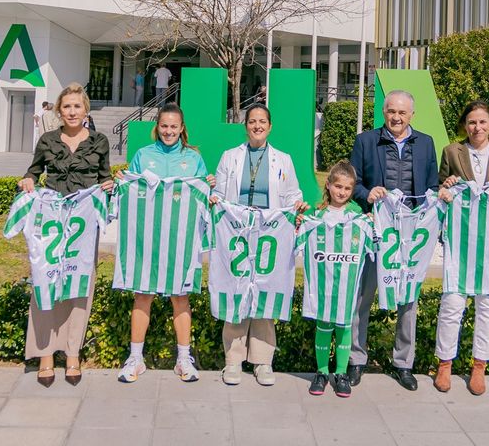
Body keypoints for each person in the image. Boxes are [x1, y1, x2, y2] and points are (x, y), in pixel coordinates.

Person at [18, 82, 113, 386]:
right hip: (52, 220)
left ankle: (72, 353)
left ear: (86, 110)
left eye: (77, 106)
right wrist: (28, 180)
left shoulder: (99, 141)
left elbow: (104, 177)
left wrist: (109, 185)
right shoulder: (47, 140)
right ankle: (45, 353)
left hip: (84, 225)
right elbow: (33, 171)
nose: (72, 112)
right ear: (59, 111)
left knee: (80, 283)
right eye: (67, 106)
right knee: (45, 281)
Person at [115, 103, 216, 384]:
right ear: (156, 127)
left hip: (180, 240)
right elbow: (129, 191)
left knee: (180, 297)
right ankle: (136, 358)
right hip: (146, 239)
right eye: (164, 126)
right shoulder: (142, 155)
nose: (168, 131)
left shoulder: (193, 158)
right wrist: (122, 182)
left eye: (174, 126)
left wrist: (209, 184)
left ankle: (183, 358)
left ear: (182, 129)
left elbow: (203, 195)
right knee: (142, 295)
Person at [348, 90, 438, 391]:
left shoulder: (425, 143)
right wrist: (366, 194)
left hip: (411, 235)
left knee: (408, 299)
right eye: (390, 112)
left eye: (401, 113)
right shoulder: (366, 141)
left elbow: (432, 185)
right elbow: (353, 182)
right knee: (363, 297)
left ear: (411, 114)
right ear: (383, 113)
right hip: (377, 232)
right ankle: (356, 360)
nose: (396, 118)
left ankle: (403, 363)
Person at [211, 104, 307, 386]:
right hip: (237, 232)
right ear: (246, 126)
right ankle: (233, 361)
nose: (257, 126)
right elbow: (218, 191)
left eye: (262, 121)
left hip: (269, 233)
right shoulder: (230, 157)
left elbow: (292, 195)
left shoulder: (283, 159)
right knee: (237, 290)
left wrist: (297, 206)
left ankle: (263, 361)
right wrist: (215, 199)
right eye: (252, 121)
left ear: (270, 126)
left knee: (265, 289)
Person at [433, 101, 489, 396]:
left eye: (482, 122)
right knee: (452, 303)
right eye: (471, 122)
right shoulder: (451, 151)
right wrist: (447, 183)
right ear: (464, 125)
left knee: (488, 305)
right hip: (461, 239)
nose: (477, 128)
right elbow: (439, 185)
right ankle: (445, 364)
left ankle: (479, 366)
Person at [300, 161, 372, 398]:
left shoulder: (357, 215)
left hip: (347, 286)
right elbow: (297, 241)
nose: (342, 192)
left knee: (343, 327)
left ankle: (341, 373)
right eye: (338, 186)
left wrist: (371, 224)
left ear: (352, 191)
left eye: (347, 189)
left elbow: (374, 243)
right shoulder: (317, 214)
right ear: (328, 185)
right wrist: (299, 222)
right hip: (323, 286)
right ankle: (321, 372)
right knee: (323, 326)